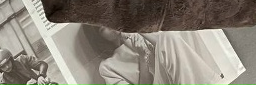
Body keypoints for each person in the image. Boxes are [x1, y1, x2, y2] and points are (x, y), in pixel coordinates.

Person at [92, 27, 224, 85]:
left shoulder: (136, 37)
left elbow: (168, 44)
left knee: (169, 36)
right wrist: (143, 58)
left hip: (176, 78)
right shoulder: (107, 67)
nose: (110, 27)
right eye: (103, 28)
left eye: (109, 21)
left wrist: (136, 29)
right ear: (99, 36)